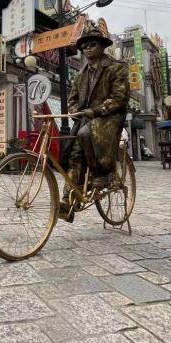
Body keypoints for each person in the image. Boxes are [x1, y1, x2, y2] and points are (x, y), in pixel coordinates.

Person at [61, 23, 129, 221]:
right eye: (84, 46)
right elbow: (72, 99)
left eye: (92, 44)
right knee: (72, 152)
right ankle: (68, 200)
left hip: (109, 117)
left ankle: (103, 172)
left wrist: (96, 111)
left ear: (101, 46)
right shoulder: (80, 75)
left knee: (84, 134)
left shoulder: (117, 68)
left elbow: (119, 97)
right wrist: (75, 111)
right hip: (86, 118)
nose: (87, 48)